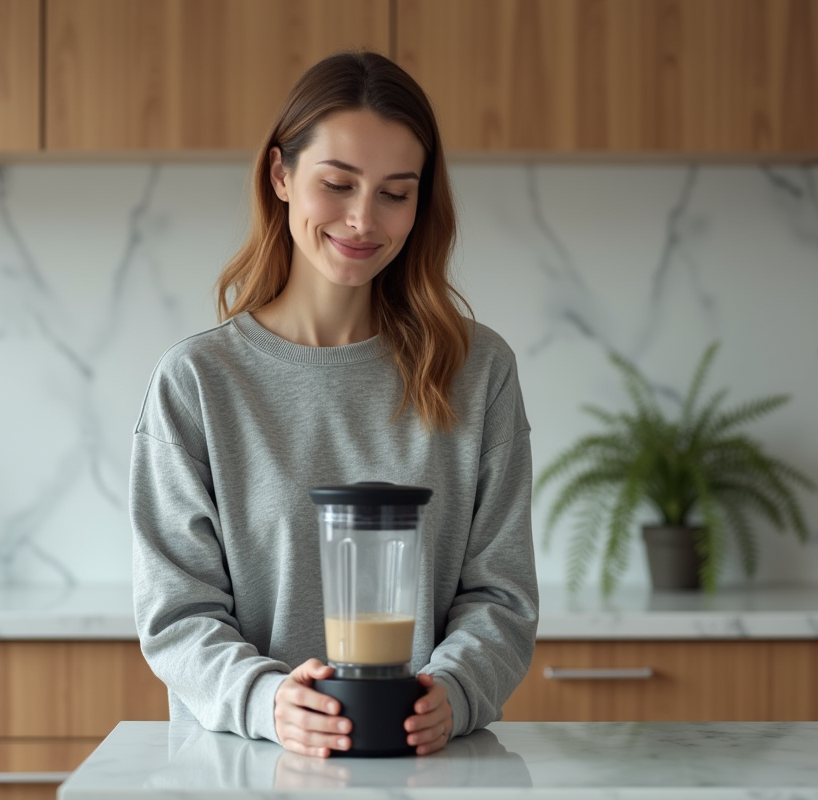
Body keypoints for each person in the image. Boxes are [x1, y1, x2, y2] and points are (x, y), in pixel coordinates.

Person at [129, 50, 538, 759]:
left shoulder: (479, 371)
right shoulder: (197, 382)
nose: (362, 219)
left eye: (395, 192)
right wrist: (270, 701)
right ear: (281, 175)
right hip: (248, 765)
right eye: (338, 184)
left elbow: (499, 595)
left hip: (428, 768)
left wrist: (456, 690)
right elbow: (178, 615)